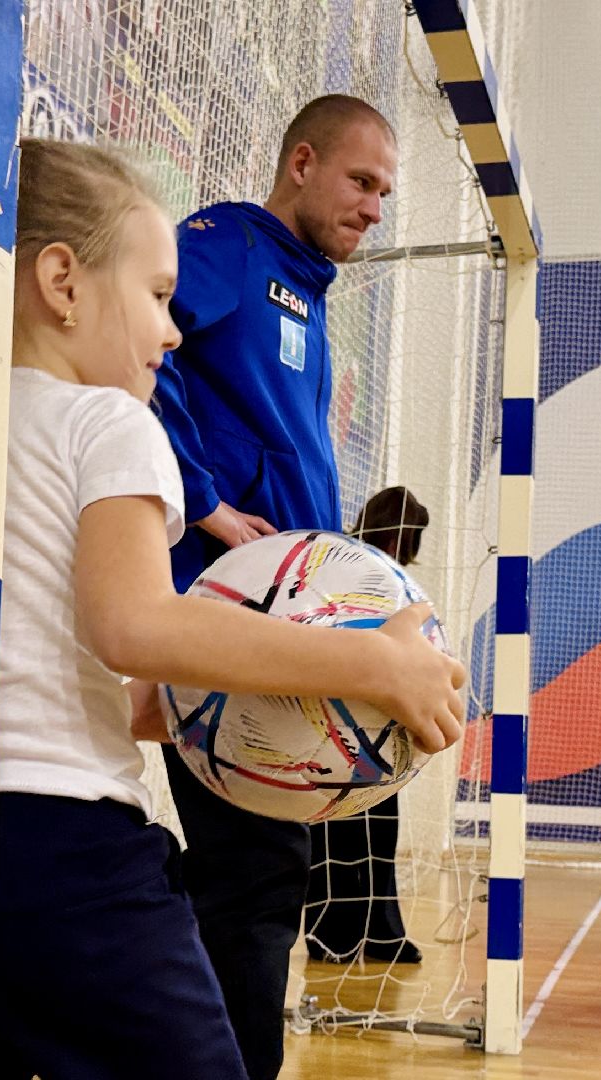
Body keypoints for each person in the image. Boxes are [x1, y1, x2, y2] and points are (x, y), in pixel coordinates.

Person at [0, 137, 464, 1079]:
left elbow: (19, 654)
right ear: (62, 283)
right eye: (159, 296)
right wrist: (376, 666)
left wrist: (149, 707)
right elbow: (137, 627)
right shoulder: (110, 422)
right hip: (72, 844)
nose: (172, 331)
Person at [151, 94, 399, 1080]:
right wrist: (205, 504)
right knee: (253, 884)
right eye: (361, 181)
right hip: (219, 627)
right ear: (301, 161)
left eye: (386, 192)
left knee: (253, 886)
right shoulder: (226, 245)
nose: (376, 207)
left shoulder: (305, 294)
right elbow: (139, 338)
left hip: (279, 630)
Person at [306, 486, 431, 965]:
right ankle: (331, 936)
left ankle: (379, 934)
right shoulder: (346, 565)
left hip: (379, 721)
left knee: (378, 830)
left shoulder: (395, 578)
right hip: (335, 718)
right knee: (336, 828)